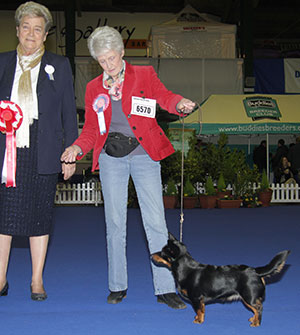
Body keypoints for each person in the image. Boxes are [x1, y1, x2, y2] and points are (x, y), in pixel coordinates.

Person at [61, 26, 195, 309]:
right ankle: (117, 285)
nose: (107, 65)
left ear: (122, 52)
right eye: (101, 61)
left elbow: (164, 96)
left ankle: (165, 288)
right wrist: (76, 148)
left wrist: (179, 102)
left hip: (144, 153)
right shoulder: (93, 88)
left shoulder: (144, 74)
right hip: (111, 157)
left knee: (156, 222)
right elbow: (90, 132)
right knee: (114, 223)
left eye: (111, 58)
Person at [0, 2, 78, 301]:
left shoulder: (59, 65)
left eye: (38, 29)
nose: (31, 34)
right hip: (7, 150)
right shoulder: (2, 62)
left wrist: (70, 151)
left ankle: (36, 280)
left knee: (40, 216)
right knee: (3, 217)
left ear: (45, 34)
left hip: (44, 149)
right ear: (17, 31)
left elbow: (69, 111)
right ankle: (1, 277)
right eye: (26, 27)